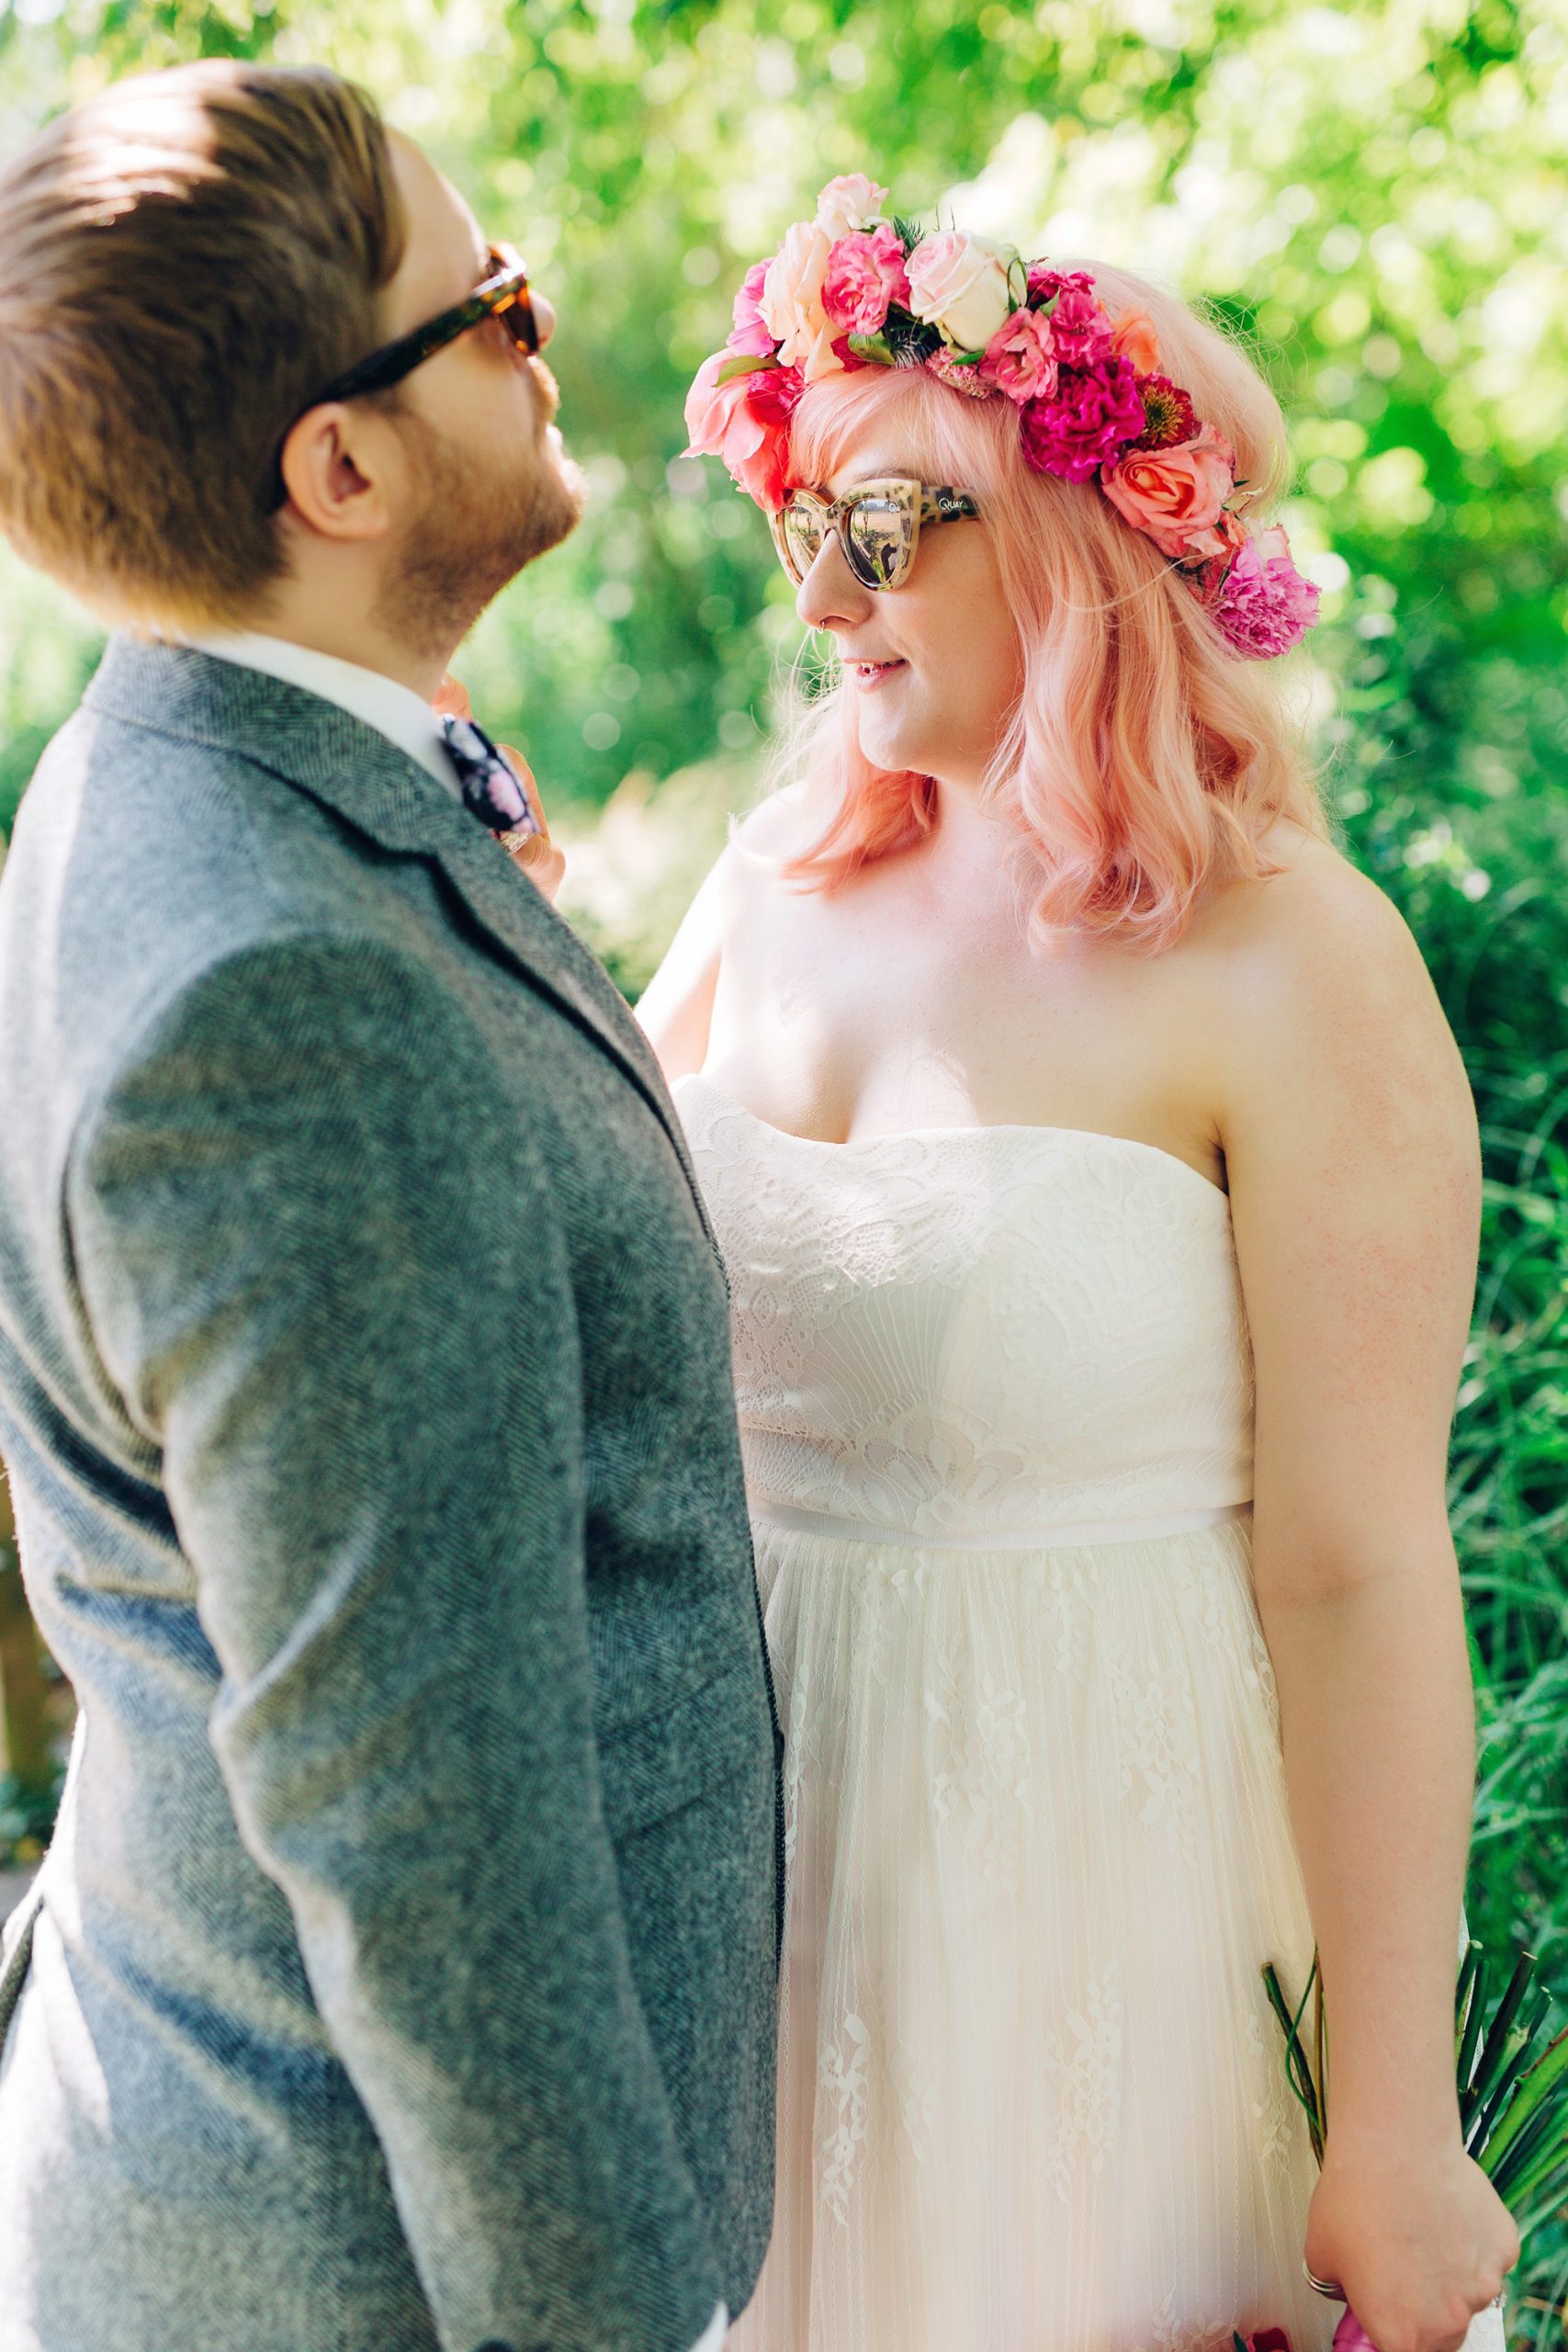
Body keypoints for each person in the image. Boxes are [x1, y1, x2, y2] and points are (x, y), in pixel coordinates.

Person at [640, 176, 1519, 2352]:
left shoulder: (1291, 964)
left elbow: (1354, 1568)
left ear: (1075, 529)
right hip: (753, 1907)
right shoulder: (762, 883)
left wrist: (1391, 2126)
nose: (824, 591)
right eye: (798, 523)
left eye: (888, 526)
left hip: (1103, 1907)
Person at [0, 61, 782, 2352]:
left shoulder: (158, 762)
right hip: (376, 2269)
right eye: (494, 303)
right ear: (334, 466)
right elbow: (435, 1853)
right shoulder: (292, 1015)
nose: (538, 332)